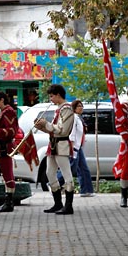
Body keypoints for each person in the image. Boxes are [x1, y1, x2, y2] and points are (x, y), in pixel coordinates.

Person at [34, 83, 75, 215]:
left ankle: (68, 206)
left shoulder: (67, 109)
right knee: (49, 173)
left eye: (52, 96)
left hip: (61, 145)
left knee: (66, 174)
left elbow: (62, 131)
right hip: (53, 145)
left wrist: (46, 124)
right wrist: (42, 127)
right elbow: (54, 129)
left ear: (58, 95)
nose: (50, 99)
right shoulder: (59, 109)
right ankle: (58, 203)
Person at [56, 100, 94, 197]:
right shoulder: (73, 118)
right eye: (79, 106)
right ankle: (55, 182)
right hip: (74, 147)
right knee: (70, 167)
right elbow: (72, 132)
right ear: (74, 108)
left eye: (82, 106)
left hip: (78, 147)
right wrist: (72, 146)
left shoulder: (79, 118)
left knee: (83, 169)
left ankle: (86, 190)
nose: (81, 108)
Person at [0, 91, 19, 213]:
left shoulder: (8, 111)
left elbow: (11, 130)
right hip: (1, 145)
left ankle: (9, 202)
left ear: (2, 100)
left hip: (6, 145)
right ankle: (8, 201)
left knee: (8, 173)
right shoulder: (2, 112)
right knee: (5, 172)